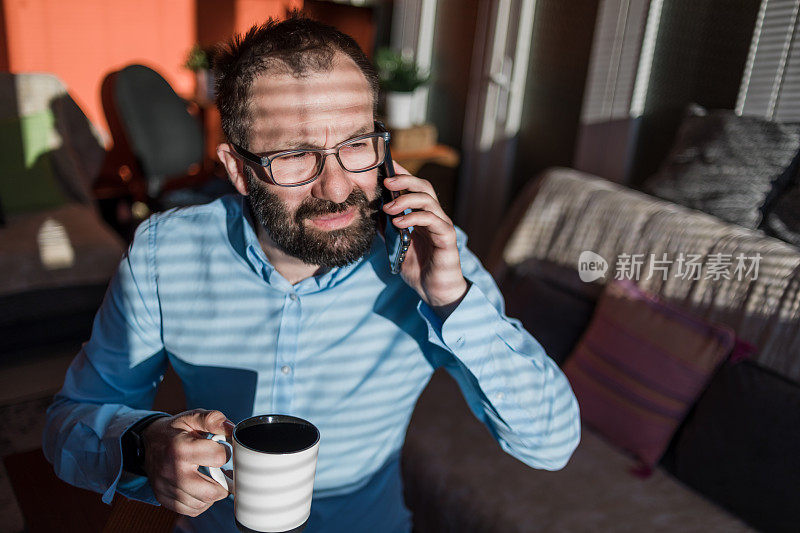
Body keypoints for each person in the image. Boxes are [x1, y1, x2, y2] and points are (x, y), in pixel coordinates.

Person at [43, 14, 580, 533]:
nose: (338, 187)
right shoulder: (167, 254)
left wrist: (453, 302)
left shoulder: (431, 259)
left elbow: (552, 444)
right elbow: (70, 418)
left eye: (355, 144)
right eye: (295, 155)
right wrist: (143, 443)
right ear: (237, 169)